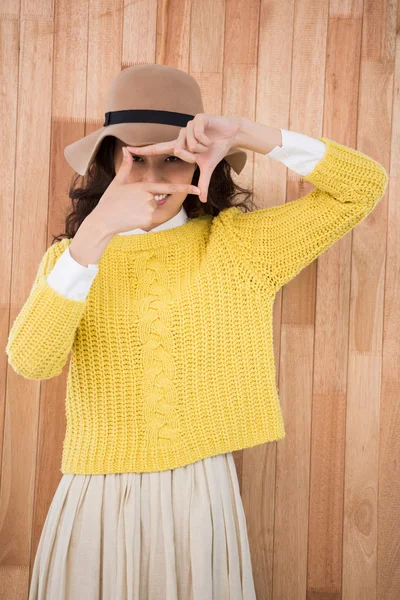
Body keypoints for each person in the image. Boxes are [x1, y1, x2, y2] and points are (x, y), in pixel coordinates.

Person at [6, 64, 388, 599]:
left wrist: (246, 133)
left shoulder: (240, 246)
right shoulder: (70, 259)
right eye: (138, 159)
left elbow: (363, 186)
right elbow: (31, 361)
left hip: (198, 491)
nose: (158, 178)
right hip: (95, 490)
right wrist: (91, 238)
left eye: (173, 158)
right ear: (109, 161)